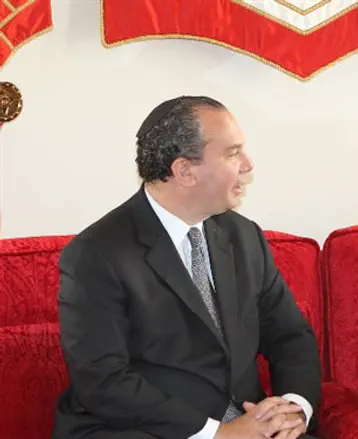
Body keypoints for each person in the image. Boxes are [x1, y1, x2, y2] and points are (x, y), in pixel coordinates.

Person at [53, 96, 321, 439]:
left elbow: (289, 336)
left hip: (249, 427)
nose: (248, 165)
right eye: (232, 153)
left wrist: (294, 410)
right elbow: (103, 380)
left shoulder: (244, 236)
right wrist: (219, 434)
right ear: (185, 171)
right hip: (143, 431)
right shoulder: (96, 253)